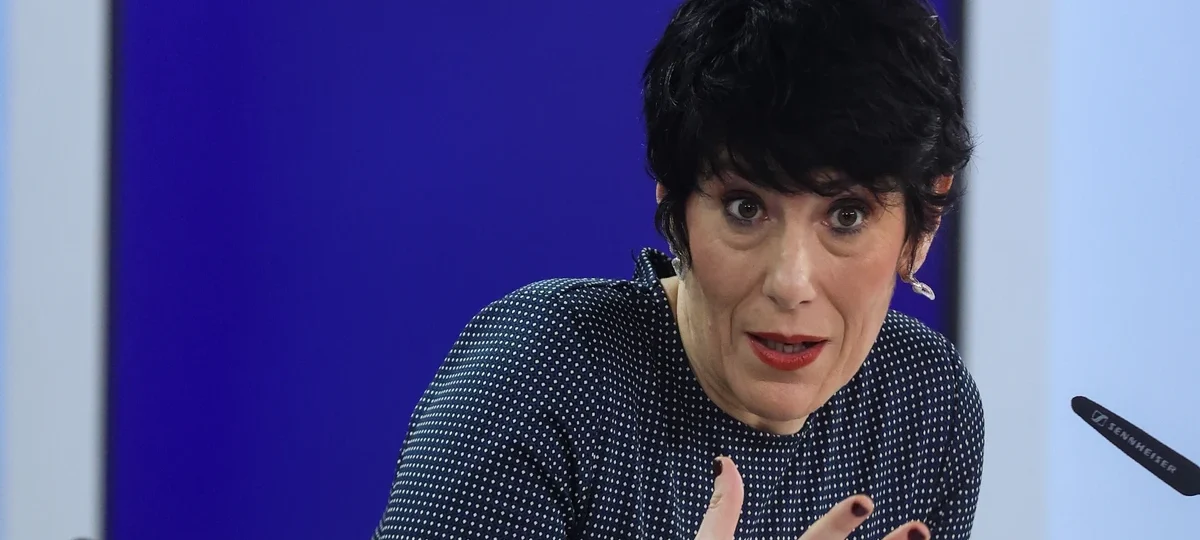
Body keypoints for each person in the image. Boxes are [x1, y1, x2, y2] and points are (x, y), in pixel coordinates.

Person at [371, 0, 982, 538]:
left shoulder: (925, 403)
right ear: (674, 207)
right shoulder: (545, 374)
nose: (790, 283)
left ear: (923, 223)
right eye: (746, 208)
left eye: (846, 215)